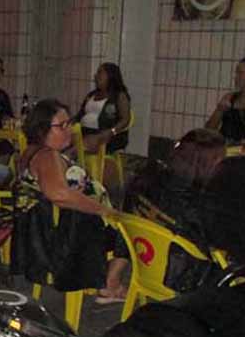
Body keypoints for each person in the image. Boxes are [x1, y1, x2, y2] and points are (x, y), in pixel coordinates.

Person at [14, 98, 125, 297]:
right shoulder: (47, 156)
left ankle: (106, 276)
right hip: (68, 234)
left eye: (70, 123)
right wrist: (105, 210)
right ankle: (111, 283)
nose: (70, 130)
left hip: (56, 228)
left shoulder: (34, 151)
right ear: (42, 130)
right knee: (131, 230)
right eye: (61, 126)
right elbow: (59, 194)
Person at [103, 128, 226, 297]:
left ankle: (111, 280)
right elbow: (216, 242)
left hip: (148, 264)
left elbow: (128, 215)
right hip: (185, 279)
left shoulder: (145, 178)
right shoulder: (198, 205)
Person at [75, 62, 131, 156]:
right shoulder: (91, 95)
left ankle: (70, 157)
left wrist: (111, 131)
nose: (96, 75)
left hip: (107, 135)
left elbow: (125, 120)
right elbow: (80, 114)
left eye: (100, 72)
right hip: (85, 132)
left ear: (111, 76)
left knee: (86, 142)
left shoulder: (119, 96)